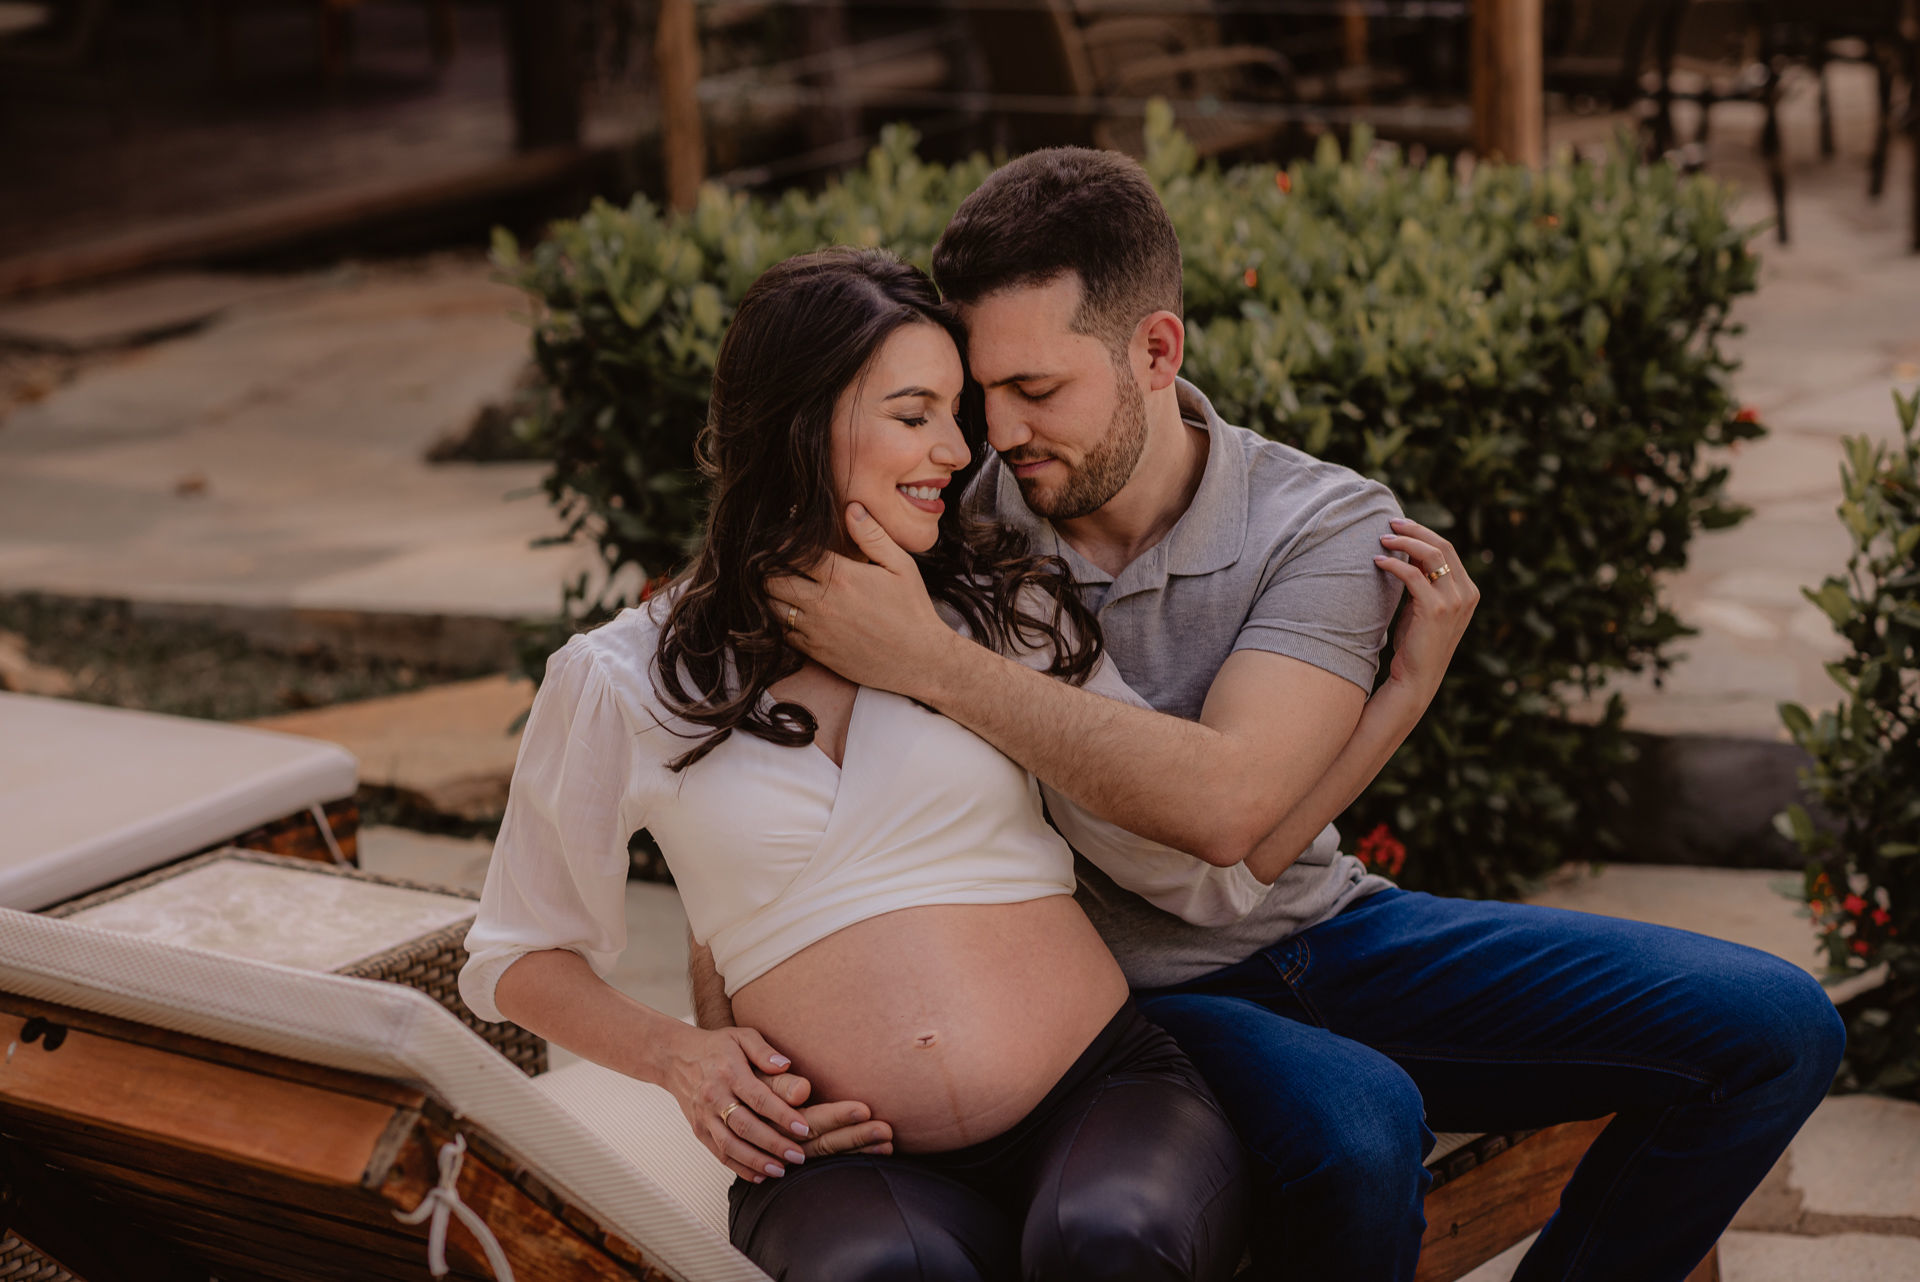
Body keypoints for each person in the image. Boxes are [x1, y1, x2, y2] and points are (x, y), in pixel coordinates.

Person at [743, 148, 1849, 1282]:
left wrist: (934, 663)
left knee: (1775, 1026)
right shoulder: (936, 533)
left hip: (1325, 932)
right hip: (1113, 1016)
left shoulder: (1320, 522)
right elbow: (749, 793)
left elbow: (1230, 811)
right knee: (1356, 1128)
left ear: (1156, 350)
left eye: (1038, 390)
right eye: (983, 395)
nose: (1000, 434)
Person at [458, 247, 1259, 1282]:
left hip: (1098, 1095)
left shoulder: (996, 611)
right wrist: (680, 1055)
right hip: (837, 1162)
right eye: (915, 413)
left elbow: (1177, 805)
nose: (958, 450)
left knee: (1109, 1241)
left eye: (955, 414)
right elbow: (516, 952)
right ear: (801, 421)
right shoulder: (623, 678)